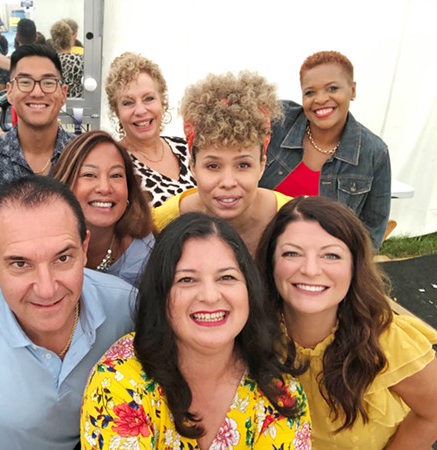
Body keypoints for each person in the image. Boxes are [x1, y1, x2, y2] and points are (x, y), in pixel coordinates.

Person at [0, 176, 136, 450]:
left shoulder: (128, 309)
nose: (46, 289)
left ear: (84, 249)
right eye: (21, 263)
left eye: (63, 258)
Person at [81, 212, 311, 449]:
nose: (210, 297)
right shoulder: (120, 378)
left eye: (227, 277)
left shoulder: (279, 390)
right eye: (187, 280)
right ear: (161, 294)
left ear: (249, 290)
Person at [256, 196, 437, 448]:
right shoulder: (251, 330)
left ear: (355, 267)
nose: (310, 269)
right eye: (292, 253)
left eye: (330, 255)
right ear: (270, 262)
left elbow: (433, 412)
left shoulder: (386, 340)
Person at [259, 50, 391, 249]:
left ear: (352, 90)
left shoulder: (373, 152)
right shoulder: (278, 122)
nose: (320, 99)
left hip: (320, 266)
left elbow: (371, 234)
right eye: (310, 92)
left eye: (332, 88)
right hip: (258, 251)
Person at [153, 71, 292, 255]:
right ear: (192, 166)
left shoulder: (296, 220)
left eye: (243, 165)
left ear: (262, 165)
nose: (228, 182)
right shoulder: (161, 223)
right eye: (213, 166)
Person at [0, 43, 74, 268]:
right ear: (10, 92)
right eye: (25, 82)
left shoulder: (82, 156)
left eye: (48, 82)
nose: (37, 91)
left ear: (63, 94)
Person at [52, 130, 154, 287]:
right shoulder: (39, 242)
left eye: (116, 175)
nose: (105, 188)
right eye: (89, 175)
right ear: (65, 183)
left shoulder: (145, 257)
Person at [105, 52, 196, 207]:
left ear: (163, 102)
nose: (140, 110)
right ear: (117, 112)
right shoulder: (114, 162)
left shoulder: (187, 148)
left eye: (149, 99)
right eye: (128, 103)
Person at [50, 20, 84, 98]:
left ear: (53, 40)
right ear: (70, 39)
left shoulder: (49, 62)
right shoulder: (80, 60)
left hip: (56, 101)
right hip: (78, 103)